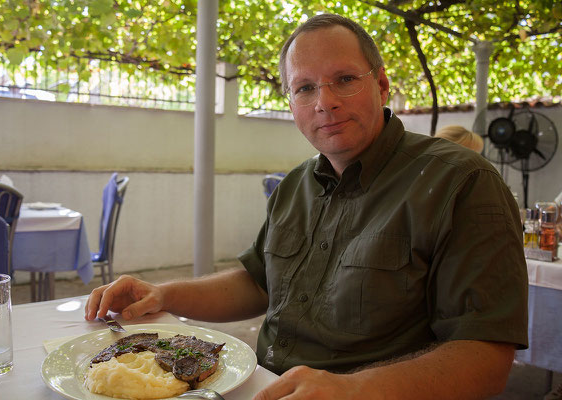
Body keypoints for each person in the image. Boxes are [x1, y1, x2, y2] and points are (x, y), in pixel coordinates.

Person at [85, 14, 528, 399]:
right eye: (305, 87)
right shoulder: (296, 184)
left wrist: (355, 389)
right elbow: (259, 283)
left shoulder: (461, 181)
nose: (325, 102)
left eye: (345, 80)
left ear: (382, 84)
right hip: (257, 386)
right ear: (291, 102)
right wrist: (164, 294)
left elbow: (486, 359)